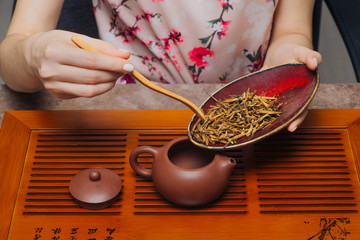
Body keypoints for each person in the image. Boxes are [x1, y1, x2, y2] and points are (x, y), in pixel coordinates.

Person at [0, 0, 321, 132]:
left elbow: (292, 29)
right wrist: (33, 54)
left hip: (256, 106)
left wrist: (289, 60)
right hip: (125, 112)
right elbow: (13, 54)